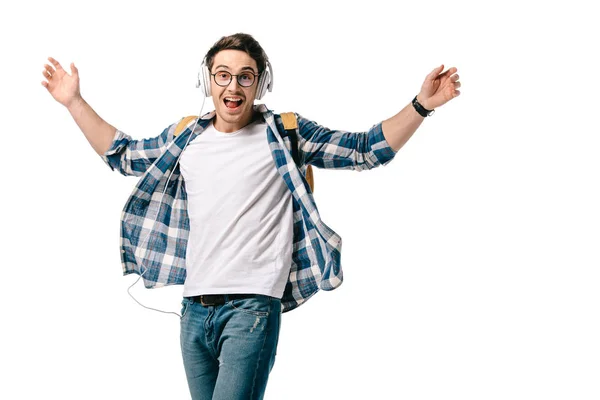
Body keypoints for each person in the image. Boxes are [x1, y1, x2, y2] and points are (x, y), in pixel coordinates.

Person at [41, 33, 461, 400]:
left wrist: (422, 105)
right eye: (223, 74)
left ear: (259, 82)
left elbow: (366, 149)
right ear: (208, 79)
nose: (234, 84)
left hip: (252, 308)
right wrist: (74, 102)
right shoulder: (186, 137)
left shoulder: (287, 132)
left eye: (246, 75)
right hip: (193, 310)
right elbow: (124, 154)